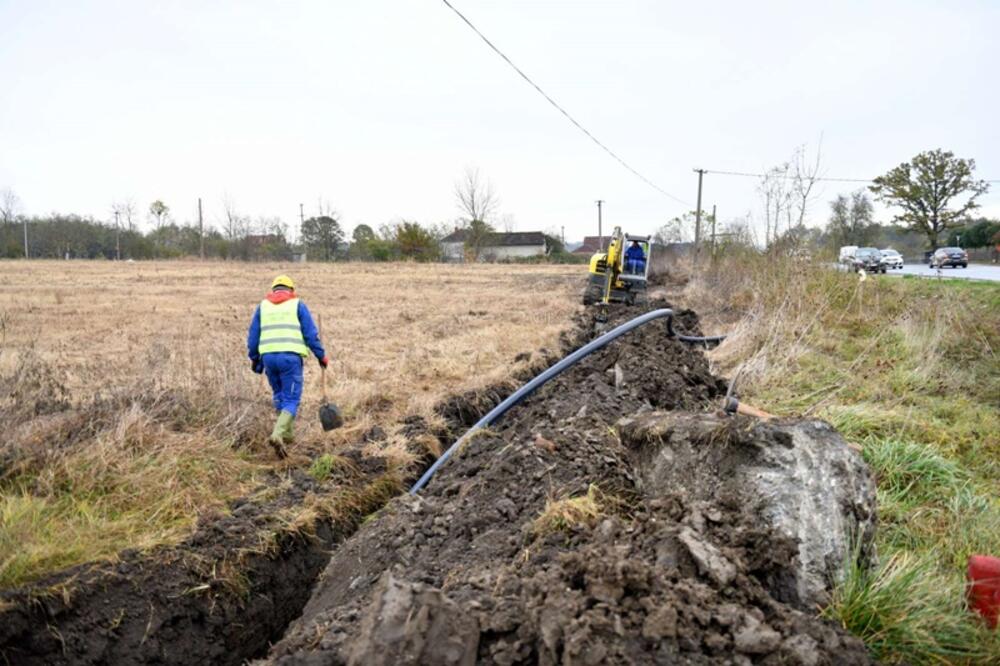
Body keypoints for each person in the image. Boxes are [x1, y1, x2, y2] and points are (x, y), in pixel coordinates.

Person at [247, 275, 328, 456]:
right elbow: (311, 334)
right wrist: (321, 356)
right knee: (291, 399)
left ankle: (288, 435)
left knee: (279, 395)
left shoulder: (263, 307)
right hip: (290, 359)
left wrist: (254, 358)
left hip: (268, 358)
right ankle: (277, 434)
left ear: (274, 290)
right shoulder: (297, 305)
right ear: (291, 290)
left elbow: (253, 337)